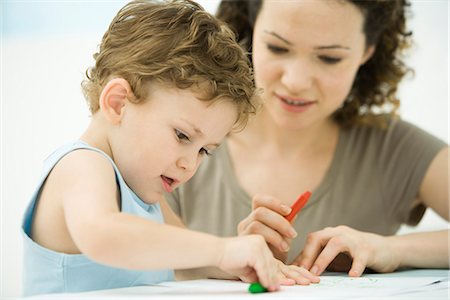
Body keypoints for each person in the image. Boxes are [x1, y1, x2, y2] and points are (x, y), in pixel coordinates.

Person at [21, 0, 321, 296]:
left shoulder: (145, 195)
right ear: (118, 103)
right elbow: (104, 236)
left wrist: (241, 259)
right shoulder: (81, 165)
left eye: (205, 151)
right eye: (182, 136)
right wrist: (222, 250)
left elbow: (185, 265)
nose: (190, 164)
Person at [166, 0, 449, 280]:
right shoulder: (184, 135)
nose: (296, 81)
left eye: (329, 58)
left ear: (367, 52)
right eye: (277, 47)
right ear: (250, 31)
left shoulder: (396, 149)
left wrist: (391, 249)